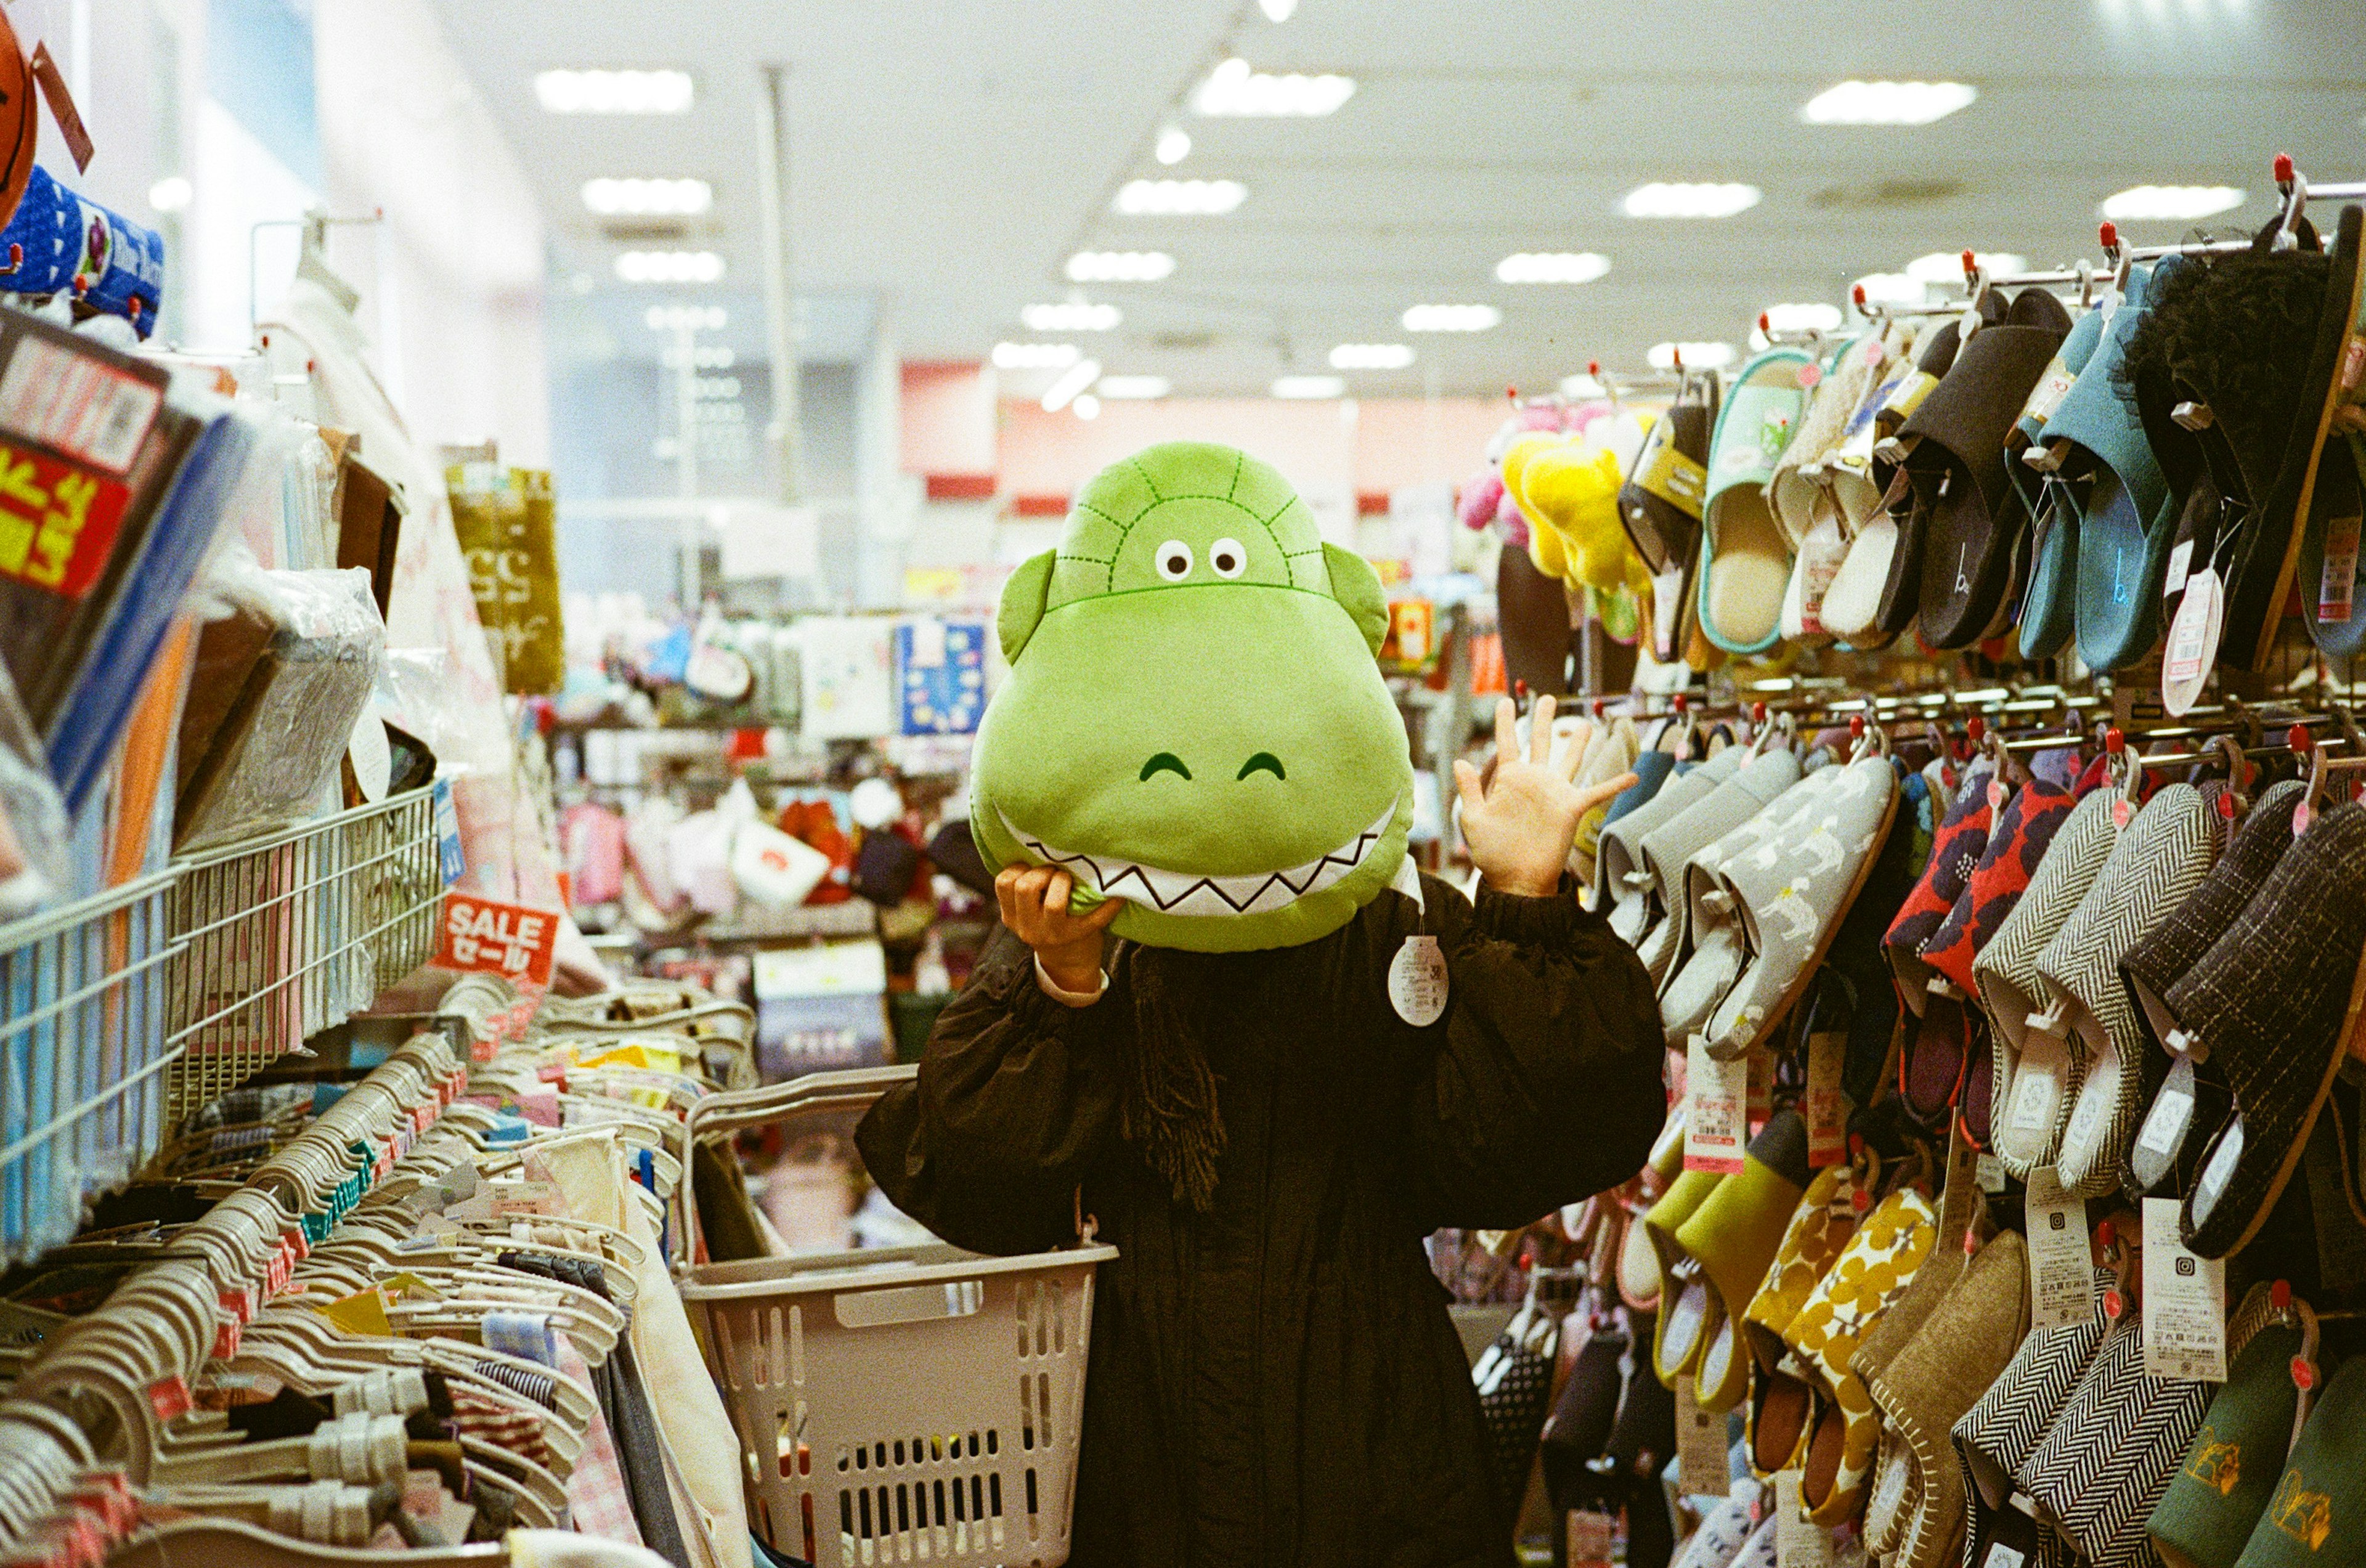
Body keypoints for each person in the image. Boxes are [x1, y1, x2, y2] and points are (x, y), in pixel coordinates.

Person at [858, 691, 1662, 1568]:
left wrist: (1523, 895)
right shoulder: (1094, 926)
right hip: (1141, 1446)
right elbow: (983, 1181)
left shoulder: (1393, 920)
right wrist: (1061, 983)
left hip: (1375, 1445)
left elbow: (1544, 1138)